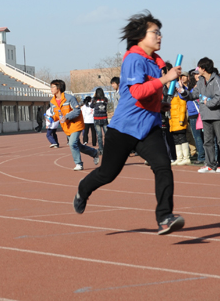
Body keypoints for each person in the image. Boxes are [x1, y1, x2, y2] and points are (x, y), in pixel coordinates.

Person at [74, 12, 185, 235]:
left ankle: (164, 217)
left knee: (163, 165)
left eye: (160, 32)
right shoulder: (134, 59)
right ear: (140, 36)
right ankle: (83, 189)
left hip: (148, 128)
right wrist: (166, 79)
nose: (160, 36)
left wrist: (158, 105)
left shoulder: (154, 63)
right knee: (107, 174)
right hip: (123, 129)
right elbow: (137, 92)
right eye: (155, 32)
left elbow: (146, 96)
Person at [178, 58, 220, 173]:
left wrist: (208, 103)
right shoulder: (200, 81)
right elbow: (193, 95)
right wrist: (183, 91)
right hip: (205, 115)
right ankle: (210, 164)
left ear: (204, 69)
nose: (197, 71)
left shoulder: (217, 80)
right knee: (208, 141)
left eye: (199, 68)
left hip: (217, 115)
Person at [50, 79, 100, 171]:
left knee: (72, 143)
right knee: (78, 146)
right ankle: (94, 153)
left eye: (53, 87)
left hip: (76, 124)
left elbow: (77, 111)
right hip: (66, 127)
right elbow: (57, 114)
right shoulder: (52, 101)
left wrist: (67, 116)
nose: (51, 89)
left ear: (59, 88)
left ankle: (78, 164)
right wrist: (52, 118)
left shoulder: (70, 98)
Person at [170, 73, 190, 165]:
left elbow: (182, 106)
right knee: (176, 139)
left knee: (182, 138)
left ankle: (186, 157)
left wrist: (181, 119)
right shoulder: (172, 94)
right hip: (173, 120)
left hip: (179, 120)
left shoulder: (179, 93)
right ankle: (179, 157)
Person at [90, 88, 109, 154]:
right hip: (104, 118)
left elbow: (91, 106)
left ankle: (101, 149)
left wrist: (94, 97)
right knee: (107, 134)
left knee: (99, 135)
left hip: (97, 119)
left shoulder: (94, 100)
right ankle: (107, 148)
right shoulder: (105, 99)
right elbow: (106, 105)